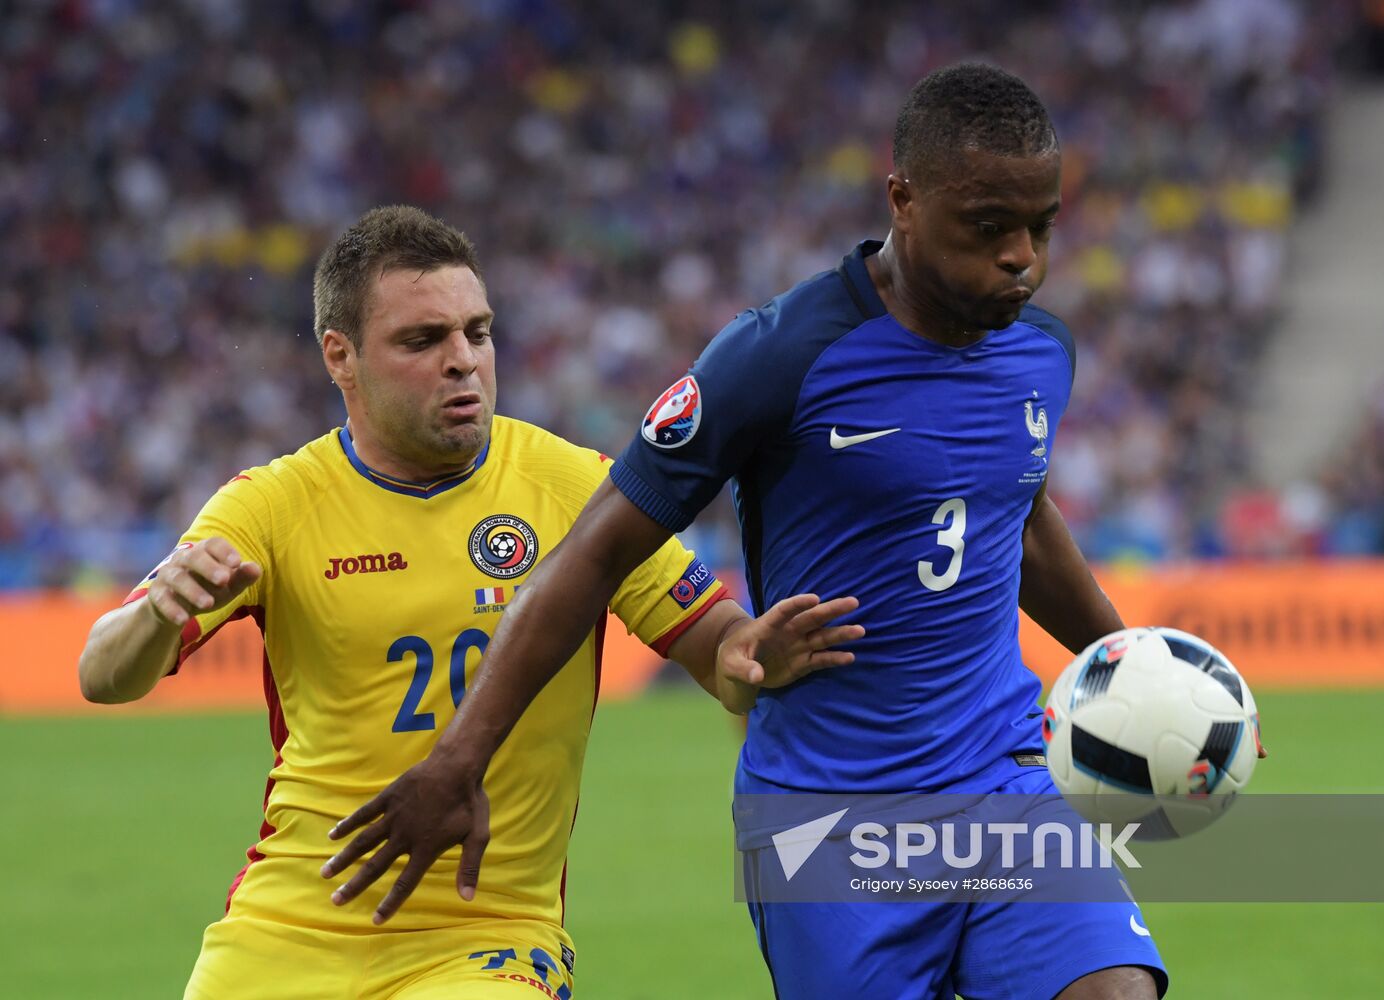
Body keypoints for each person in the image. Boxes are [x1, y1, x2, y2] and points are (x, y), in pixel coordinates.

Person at [322, 66, 1177, 999]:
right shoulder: (779, 354)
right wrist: (458, 759)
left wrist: (1138, 667)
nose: (1022, 258)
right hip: (825, 813)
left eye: (1042, 227)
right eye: (988, 228)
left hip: (1001, 774)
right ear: (902, 198)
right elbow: (595, 553)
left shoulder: (1040, 351)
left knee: (1113, 991)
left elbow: (1015, 514)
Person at [76, 205, 862, 999]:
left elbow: (722, 652)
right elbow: (104, 675)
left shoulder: (577, 487)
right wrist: (154, 612)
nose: (464, 361)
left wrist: (752, 657)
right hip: (287, 930)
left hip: (489, 938)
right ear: (340, 357)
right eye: (423, 340)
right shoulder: (274, 505)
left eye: (477, 333)